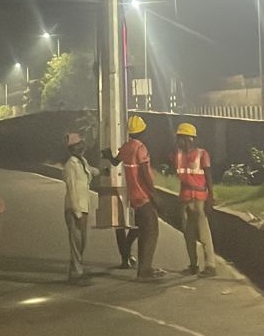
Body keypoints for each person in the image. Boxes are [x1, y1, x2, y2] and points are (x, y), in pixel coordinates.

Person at [101, 115, 165, 281]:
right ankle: (145, 270)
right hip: (144, 196)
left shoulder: (127, 147)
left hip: (134, 197)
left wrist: (108, 155)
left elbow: (116, 161)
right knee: (151, 233)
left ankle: (144, 269)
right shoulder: (140, 148)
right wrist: (154, 195)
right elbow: (145, 175)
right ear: (143, 132)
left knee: (143, 231)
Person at [171, 122, 217, 277]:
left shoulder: (202, 154)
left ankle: (210, 265)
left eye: (181, 138)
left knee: (204, 233)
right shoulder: (178, 155)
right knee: (188, 234)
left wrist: (210, 196)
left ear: (189, 139)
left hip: (199, 199)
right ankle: (193, 264)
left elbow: (208, 176)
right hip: (185, 198)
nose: (178, 141)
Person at [62, 132, 99, 285]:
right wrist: (76, 211)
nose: (82, 147)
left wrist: (105, 170)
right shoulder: (70, 165)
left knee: (81, 241)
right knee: (76, 241)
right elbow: (71, 188)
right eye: (78, 145)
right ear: (73, 148)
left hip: (83, 206)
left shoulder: (81, 161)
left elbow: (91, 171)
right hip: (75, 207)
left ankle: (76, 269)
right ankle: (76, 273)